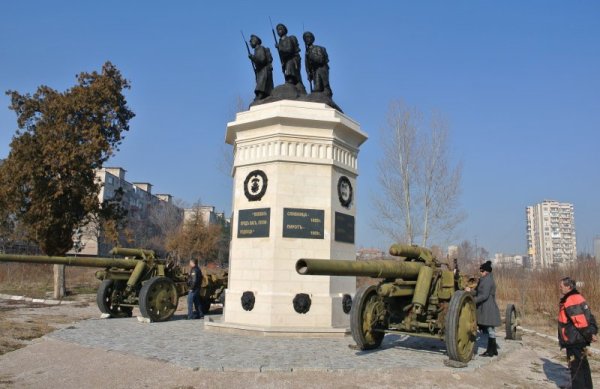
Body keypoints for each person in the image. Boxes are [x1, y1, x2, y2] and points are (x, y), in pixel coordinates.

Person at [558, 277, 597, 389]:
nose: (560, 288)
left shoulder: (571, 299)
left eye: (562, 286)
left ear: (568, 287)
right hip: (578, 338)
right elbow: (589, 317)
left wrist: (590, 335)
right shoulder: (578, 297)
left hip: (574, 339)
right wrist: (592, 333)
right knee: (583, 365)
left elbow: (579, 320)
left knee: (576, 367)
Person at [468, 260, 501, 357]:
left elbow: (484, 295)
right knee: (490, 329)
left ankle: (490, 351)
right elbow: (478, 291)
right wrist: (470, 291)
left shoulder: (488, 281)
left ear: (486, 272)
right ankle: (494, 350)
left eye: (482, 271)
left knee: (490, 329)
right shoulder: (484, 279)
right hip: (485, 306)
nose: (480, 273)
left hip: (488, 307)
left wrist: (473, 301)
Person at [275, 23, 305, 92]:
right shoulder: (280, 41)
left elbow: (289, 50)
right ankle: (292, 81)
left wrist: (280, 47)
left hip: (292, 59)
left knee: (290, 65)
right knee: (287, 66)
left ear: (284, 30)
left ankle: (290, 80)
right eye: (277, 30)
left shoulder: (288, 39)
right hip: (286, 60)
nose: (279, 31)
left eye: (280, 29)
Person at [303, 31, 332, 97]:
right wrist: (308, 73)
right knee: (317, 88)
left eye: (308, 37)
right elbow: (306, 65)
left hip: (321, 68)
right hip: (314, 71)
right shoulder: (307, 53)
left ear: (312, 39)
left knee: (325, 85)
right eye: (305, 39)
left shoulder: (318, 48)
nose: (307, 39)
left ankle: (327, 92)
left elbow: (321, 60)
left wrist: (311, 56)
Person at [248, 34, 274, 101]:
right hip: (260, 71)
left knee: (261, 83)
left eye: (251, 41)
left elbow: (262, 60)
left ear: (256, 41)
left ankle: (260, 95)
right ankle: (262, 95)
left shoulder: (260, 48)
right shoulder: (256, 50)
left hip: (264, 71)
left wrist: (253, 58)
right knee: (260, 82)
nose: (250, 43)